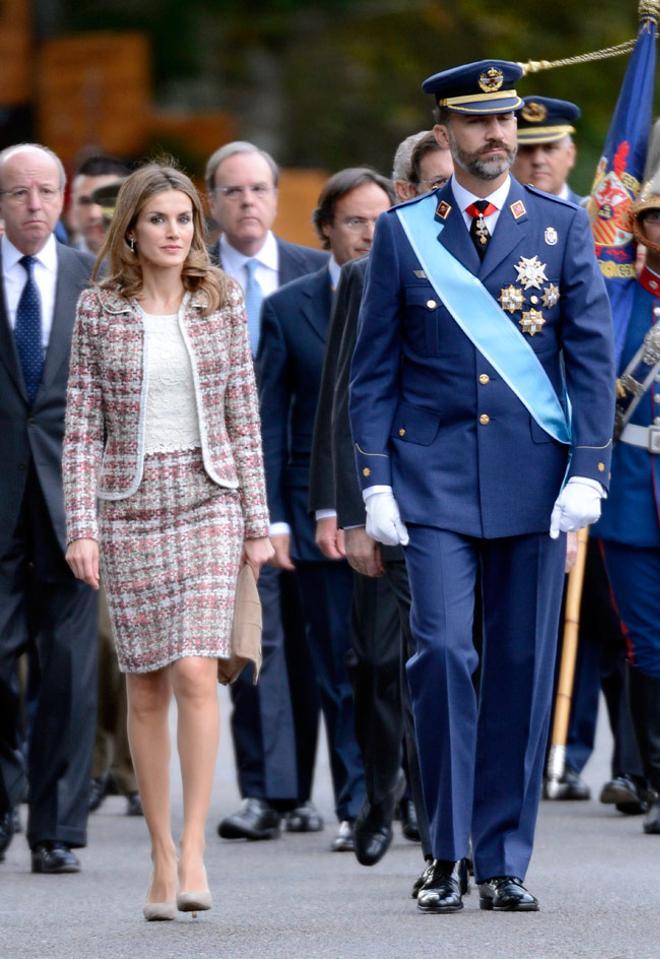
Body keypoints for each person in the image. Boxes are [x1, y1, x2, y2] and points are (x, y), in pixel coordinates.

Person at [349, 59, 615, 913]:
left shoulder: (561, 226)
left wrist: (589, 471)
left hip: (534, 483)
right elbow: (371, 374)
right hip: (429, 483)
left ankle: (501, 857)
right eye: (477, 122)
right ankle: (446, 850)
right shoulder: (404, 232)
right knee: (443, 653)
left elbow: (589, 358)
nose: (496, 136)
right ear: (445, 135)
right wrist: (375, 483)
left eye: (503, 121)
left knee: (520, 665)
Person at [62, 162, 273, 920]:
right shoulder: (98, 311)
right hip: (128, 504)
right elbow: (82, 425)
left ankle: (192, 853)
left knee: (193, 670)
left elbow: (244, 416)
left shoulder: (222, 301)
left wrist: (256, 520)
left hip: (209, 499)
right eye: (158, 220)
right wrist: (80, 525)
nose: (174, 232)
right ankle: (157, 857)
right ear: (131, 229)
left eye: (184, 219)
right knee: (145, 681)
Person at [309, 139, 453, 873]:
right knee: (375, 661)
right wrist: (347, 511)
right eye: (433, 185)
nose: (448, 196)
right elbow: (343, 400)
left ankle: (432, 811)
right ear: (406, 190)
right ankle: (374, 790)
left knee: (441, 656)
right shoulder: (368, 275)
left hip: (455, 501)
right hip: (384, 495)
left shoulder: (491, 267)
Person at [514, 98, 645, 807]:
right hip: (531, 437)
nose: (537, 159)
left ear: (572, 153)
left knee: (617, 611)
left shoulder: (605, 229)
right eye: (526, 148)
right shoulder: (505, 224)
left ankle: (628, 761)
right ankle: (558, 749)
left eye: (550, 148)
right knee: (548, 607)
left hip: (609, 443)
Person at [258, 168, 393, 852]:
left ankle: (408, 794)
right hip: (323, 517)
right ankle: (356, 799)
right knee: (343, 665)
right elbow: (274, 422)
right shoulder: (288, 307)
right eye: (353, 221)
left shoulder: (415, 292)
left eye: (379, 219)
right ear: (325, 231)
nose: (368, 233)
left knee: (398, 661)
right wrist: (282, 518)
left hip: (401, 508)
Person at [206, 141, 327, 841]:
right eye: (233, 191)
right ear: (213, 202)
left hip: (307, 484)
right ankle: (263, 788)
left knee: (310, 639)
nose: (247, 201)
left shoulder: (315, 272)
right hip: (222, 484)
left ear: (276, 198)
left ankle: (301, 789)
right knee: (250, 635)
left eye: (258, 189)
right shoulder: (193, 278)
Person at [0, 143, 98, 874]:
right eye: (18, 194)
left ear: (63, 198)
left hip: (74, 506)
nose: (34, 206)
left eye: (46, 192)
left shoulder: (93, 280)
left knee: (67, 664)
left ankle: (57, 828)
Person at [595, 167, 660, 835]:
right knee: (647, 643)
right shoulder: (616, 298)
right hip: (636, 487)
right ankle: (657, 778)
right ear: (639, 227)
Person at [513, 96, 581, 202]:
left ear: (570, 154)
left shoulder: (592, 217)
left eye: (549, 148)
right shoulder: (493, 216)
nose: (538, 160)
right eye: (527, 150)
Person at [68, 154, 130, 254]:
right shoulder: (54, 265)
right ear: (73, 205)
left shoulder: (149, 264)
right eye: (84, 202)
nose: (94, 214)